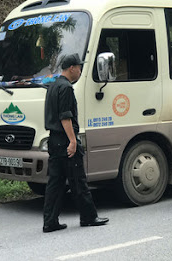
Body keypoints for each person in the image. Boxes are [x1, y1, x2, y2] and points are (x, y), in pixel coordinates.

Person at [43, 53, 109, 232]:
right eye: (79, 68)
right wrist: (73, 141)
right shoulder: (66, 88)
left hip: (54, 140)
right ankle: (89, 217)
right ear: (71, 68)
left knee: (55, 183)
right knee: (78, 181)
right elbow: (65, 117)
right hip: (65, 139)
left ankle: (50, 221)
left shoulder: (53, 86)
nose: (80, 71)